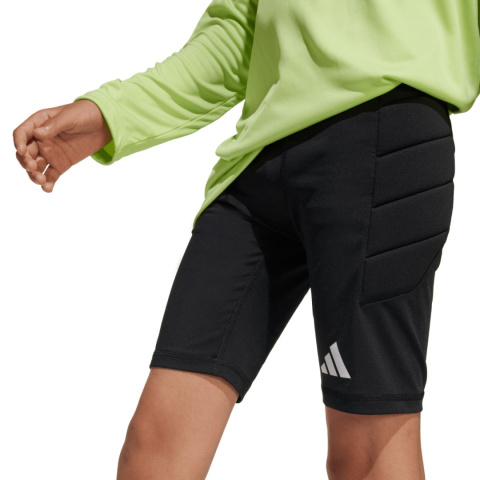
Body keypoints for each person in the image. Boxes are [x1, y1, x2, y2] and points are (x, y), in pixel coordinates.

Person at [12, 1, 479, 479]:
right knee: (154, 445)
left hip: (384, 143)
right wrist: (109, 114)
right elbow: (237, 37)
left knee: (367, 448)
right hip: (256, 164)